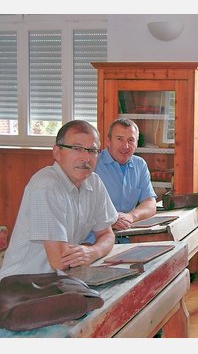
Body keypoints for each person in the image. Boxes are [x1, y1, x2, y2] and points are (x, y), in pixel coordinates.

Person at [0, 120, 118, 280]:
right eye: (77, 149)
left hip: (60, 280)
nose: (86, 158)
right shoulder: (46, 185)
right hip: (22, 287)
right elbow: (60, 261)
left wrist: (92, 252)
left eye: (92, 150)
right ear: (57, 153)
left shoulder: (94, 182)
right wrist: (90, 251)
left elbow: (107, 234)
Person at [93, 117, 157, 234]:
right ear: (108, 141)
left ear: (137, 143)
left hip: (128, 235)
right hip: (94, 238)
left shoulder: (140, 165)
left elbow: (150, 203)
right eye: (119, 139)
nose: (125, 146)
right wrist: (109, 219)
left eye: (131, 140)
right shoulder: (93, 163)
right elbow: (80, 205)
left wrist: (130, 216)